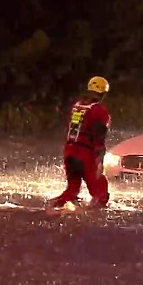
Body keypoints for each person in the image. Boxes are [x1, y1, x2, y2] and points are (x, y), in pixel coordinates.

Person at [49, 76, 112, 210]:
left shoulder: (77, 106)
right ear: (103, 93)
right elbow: (100, 134)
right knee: (100, 194)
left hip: (69, 152)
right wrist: (100, 158)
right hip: (86, 154)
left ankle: (54, 207)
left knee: (72, 191)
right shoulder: (99, 110)